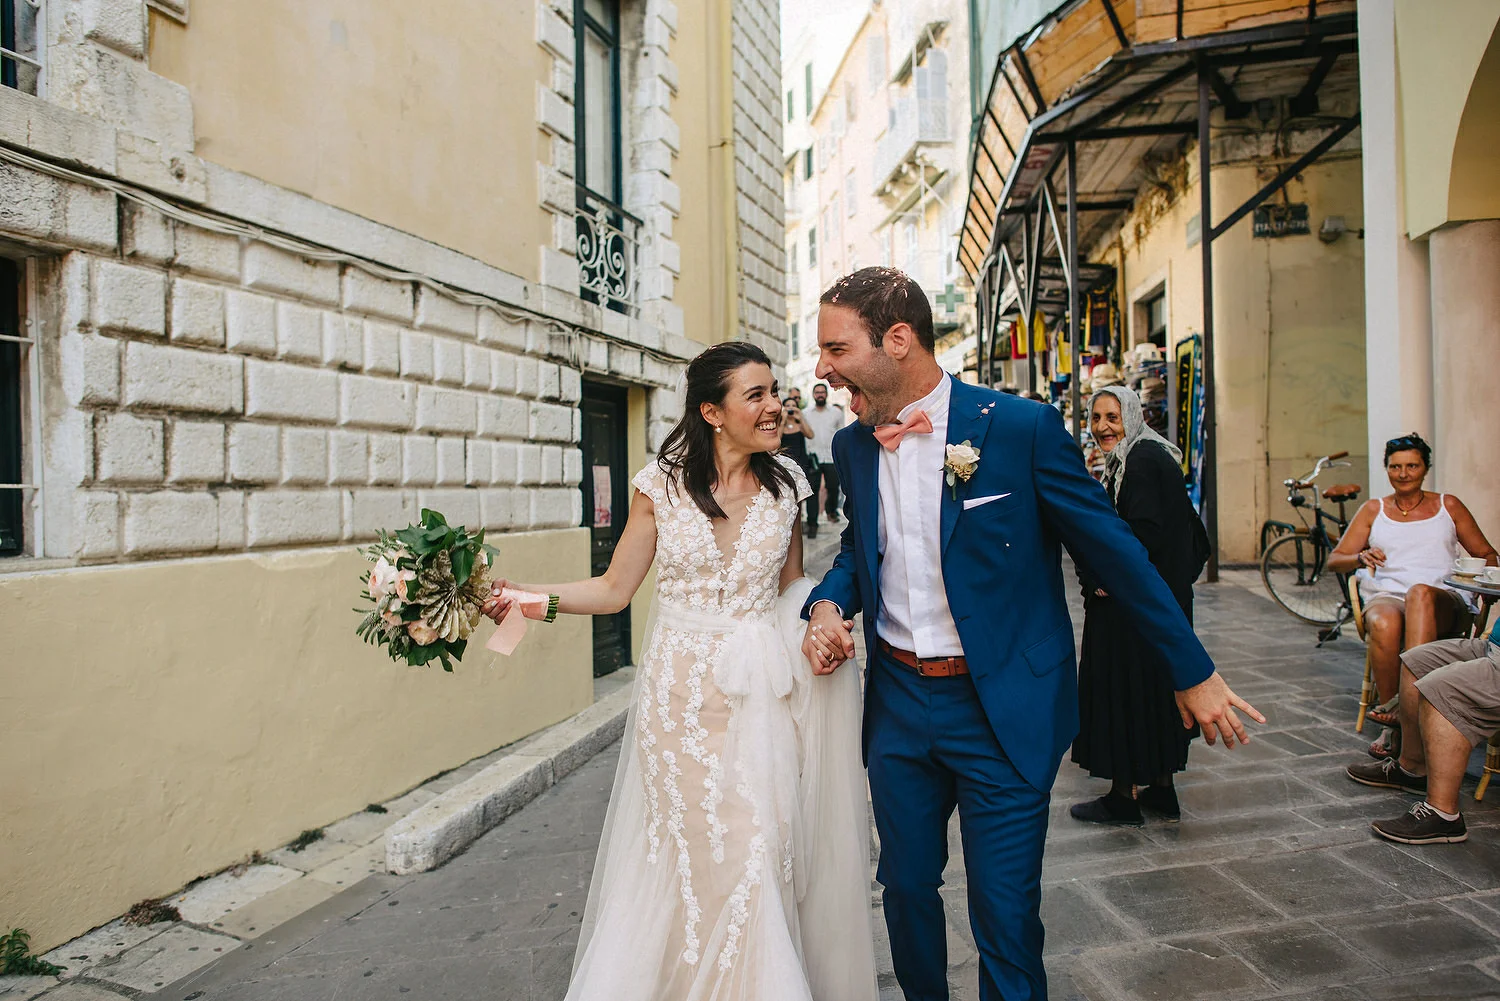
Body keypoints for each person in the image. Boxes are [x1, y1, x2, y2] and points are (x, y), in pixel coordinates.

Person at [800, 267, 1264, 1001]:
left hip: (1003, 708)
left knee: (1006, 915)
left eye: (834, 346)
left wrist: (1192, 670)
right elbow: (865, 545)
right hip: (896, 707)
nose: (821, 367)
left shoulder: (1020, 430)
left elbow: (1117, 553)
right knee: (905, 888)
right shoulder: (855, 446)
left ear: (898, 339)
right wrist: (828, 604)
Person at [481, 342, 877, 1001]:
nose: (776, 404)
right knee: (693, 855)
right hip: (681, 701)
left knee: (758, 849)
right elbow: (613, 589)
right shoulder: (658, 486)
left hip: (760, 696)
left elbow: (791, 590)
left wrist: (821, 620)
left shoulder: (787, 486)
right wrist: (522, 598)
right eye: (756, 395)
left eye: (775, 391)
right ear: (713, 412)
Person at [1069, 387, 1211, 826]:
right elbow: (1191, 539)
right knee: (1154, 693)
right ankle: (1160, 788)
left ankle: (1122, 796)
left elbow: (1139, 536)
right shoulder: (1147, 456)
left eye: (1112, 417)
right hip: (1155, 604)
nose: (1102, 427)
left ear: (1132, 416)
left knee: (1122, 691)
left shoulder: (1142, 462)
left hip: (1132, 609)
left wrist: (1109, 581)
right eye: (1095, 418)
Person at [1327, 433, 1496, 756]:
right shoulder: (1373, 509)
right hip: (1388, 596)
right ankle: (1399, 725)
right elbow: (1336, 560)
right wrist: (1360, 557)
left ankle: (1400, 705)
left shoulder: (1448, 505)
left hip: (1444, 600)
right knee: (1385, 621)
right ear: (1386, 469)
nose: (1403, 474)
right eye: (1395, 466)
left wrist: (1484, 581)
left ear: (1425, 468)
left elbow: (1487, 552)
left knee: (1419, 594)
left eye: (1412, 466)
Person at [1345, 630, 1500, 844]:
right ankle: (1413, 769)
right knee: (1417, 662)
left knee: (1441, 687)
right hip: (1492, 648)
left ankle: (1444, 815)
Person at [802, 382, 845, 535]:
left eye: (822, 392)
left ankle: (831, 510)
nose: (820, 394)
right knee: (812, 490)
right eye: (817, 392)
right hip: (812, 457)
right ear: (814, 395)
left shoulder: (836, 413)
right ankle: (812, 522)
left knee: (833, 486)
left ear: (826, 394)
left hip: (831, 456)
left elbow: (841, 434)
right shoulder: (805, 413)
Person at [779, 394, 815, 518]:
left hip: (801, 460)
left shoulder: (799, 423)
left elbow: (810, 435)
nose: (790, 408)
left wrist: (800, 418)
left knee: (800, 492)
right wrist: (783, 420)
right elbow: (777, 440)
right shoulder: (779, 424)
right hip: (784, 462)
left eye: (793, 406)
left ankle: (799, 516)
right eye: (788, 405)